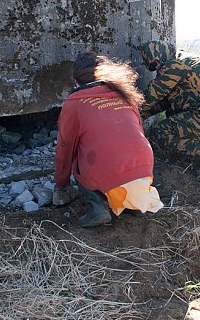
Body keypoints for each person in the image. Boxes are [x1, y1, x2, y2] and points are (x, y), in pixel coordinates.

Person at [53, 51, 163, 228]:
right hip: (143, 166)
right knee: (119, 156)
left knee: (80, 156)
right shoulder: (124, 93)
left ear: (76, 80)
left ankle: (97, 208)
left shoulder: (75, 101)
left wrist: (61, 184)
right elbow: (137, 132)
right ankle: (134, 204)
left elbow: (65, 147)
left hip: (104, 169)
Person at [139, 41, 200, 174]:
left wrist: (128, 111)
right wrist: (143, 115)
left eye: (156, 63)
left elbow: (152, 96)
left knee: (161, 132)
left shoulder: (175, 65)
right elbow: (165, 102)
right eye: (153, 66)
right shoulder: (185, 60)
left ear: (161, 55)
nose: (157, 68)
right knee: (176, 118)